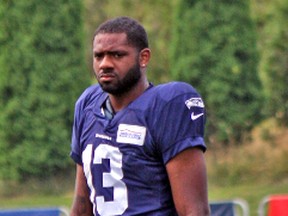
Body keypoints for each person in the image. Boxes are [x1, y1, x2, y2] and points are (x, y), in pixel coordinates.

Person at [70, 16, 210, 216]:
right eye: (98, 56)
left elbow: (194, 210)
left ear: (143, 57)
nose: (105, 64)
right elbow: (82, 206)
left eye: (117, 55)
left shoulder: (166, 105)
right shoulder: (87, 105)